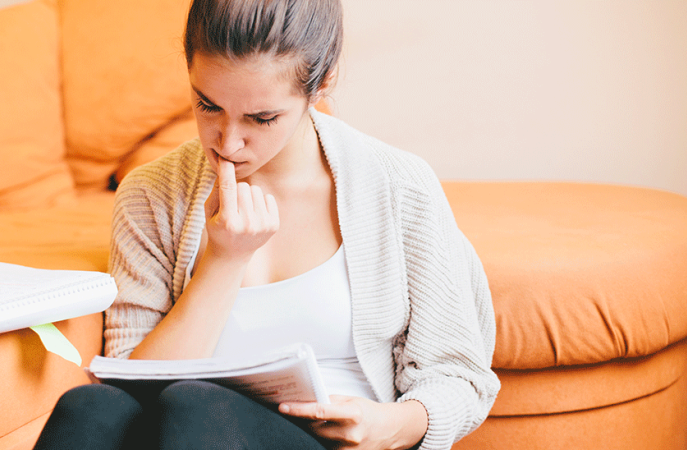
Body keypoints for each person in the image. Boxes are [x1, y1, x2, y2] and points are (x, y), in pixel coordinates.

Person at [33, 0, 499, 449]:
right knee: (90, 408)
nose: (228, 142)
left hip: (332, 442)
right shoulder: (151, 195)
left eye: (262, 117)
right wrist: (222, 261)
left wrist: (390, 426)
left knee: (195, 405)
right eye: (207, 105)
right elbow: (131, 387)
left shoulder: (400, 187)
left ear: (323, 83)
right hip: (186, 428)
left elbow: (460, 378)